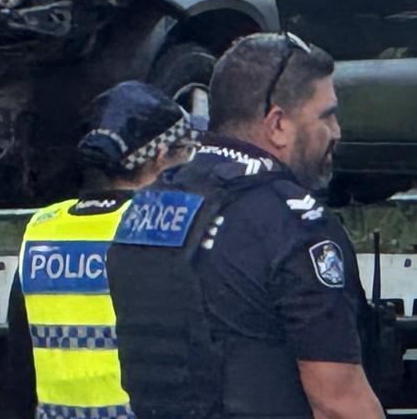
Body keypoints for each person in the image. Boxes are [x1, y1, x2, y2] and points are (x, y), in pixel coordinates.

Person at [106, 33, 385, 419]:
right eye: (325, 115)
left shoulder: (149, 206)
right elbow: (338, 404)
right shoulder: (291, 223)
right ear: (278, 124)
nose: (335, 131)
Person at [7, 80, 202, 419]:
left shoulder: (45, 227)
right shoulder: (165, 227)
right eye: (185, 151)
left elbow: (21, 361)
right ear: (160, 157)